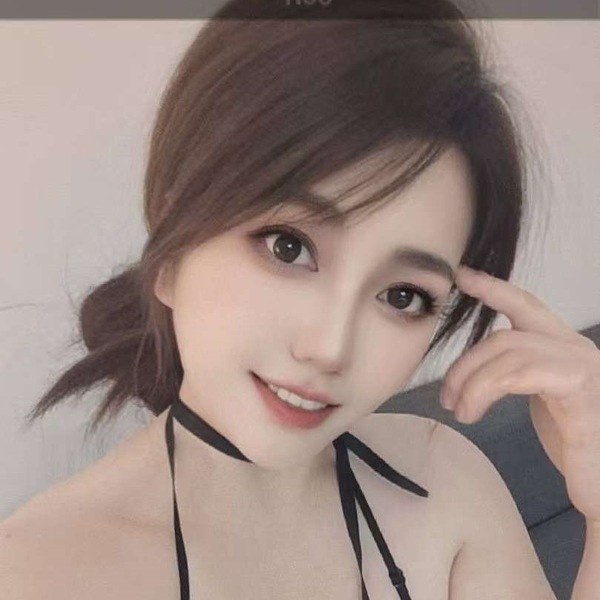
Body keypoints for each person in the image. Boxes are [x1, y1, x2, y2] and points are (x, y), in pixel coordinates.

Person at [2, 1, 599, 599]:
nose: (330, 347)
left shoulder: (446, 486)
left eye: (402, 295)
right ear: (171, 250)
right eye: (288, 247)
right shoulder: (39, 576)